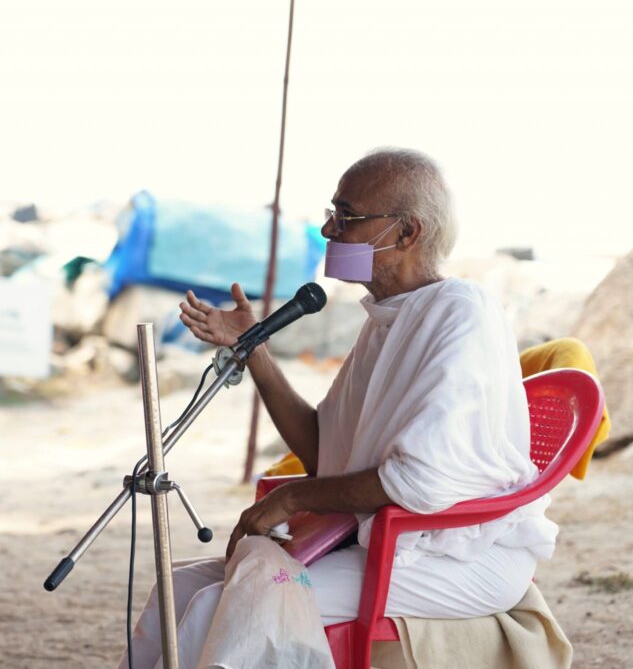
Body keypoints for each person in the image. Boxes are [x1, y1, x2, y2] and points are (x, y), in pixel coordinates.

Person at [120, 149, 559, 667]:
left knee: (215, 604)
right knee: (180, 586)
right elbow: (324, 451)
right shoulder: (387, 319)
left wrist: (290, 501)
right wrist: (253, 349)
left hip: (459, 553)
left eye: (346, 216)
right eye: (332, 212)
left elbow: (420, 483)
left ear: (405, 234)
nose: (329, 230)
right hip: (390, 541)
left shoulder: (461, 311)